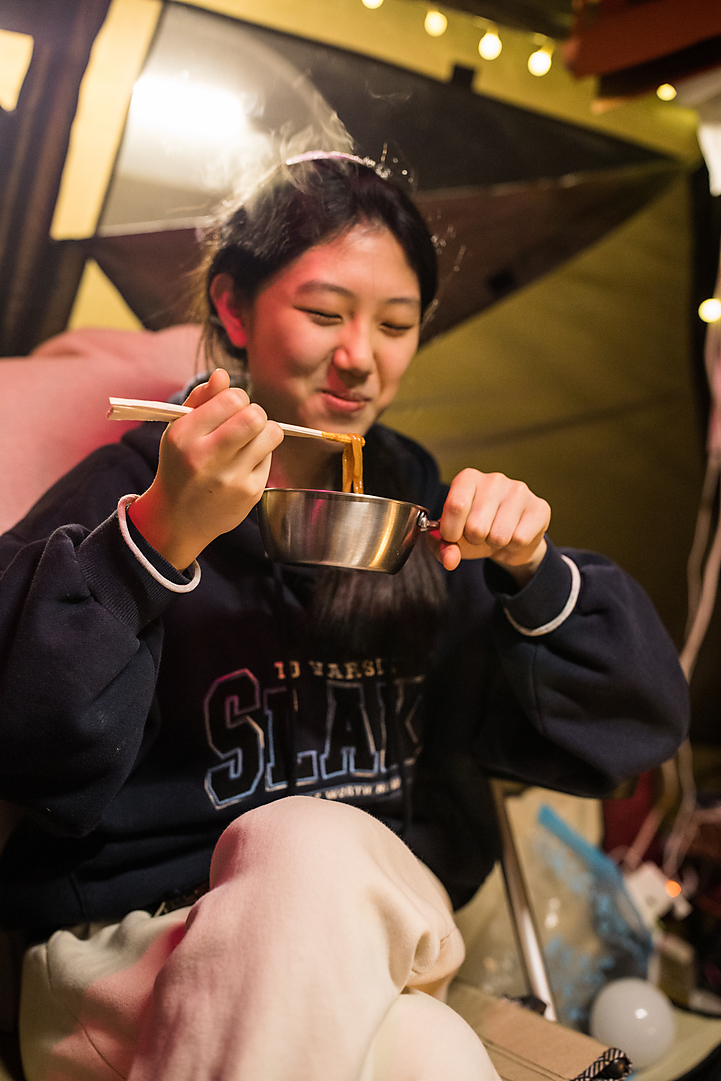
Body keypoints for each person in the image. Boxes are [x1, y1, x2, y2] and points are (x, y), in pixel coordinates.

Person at [0, 152, 688, 1081]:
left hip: (379, 931)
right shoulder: (127, 490)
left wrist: (534, 568)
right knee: (428, 1048)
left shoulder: (423, 512)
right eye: (325, 314)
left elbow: (636, 728)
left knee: (311, 843)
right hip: (131, 955)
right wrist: (157, 540)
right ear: (235, 309)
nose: (362, 357)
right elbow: (22, 743)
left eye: (397, 325)